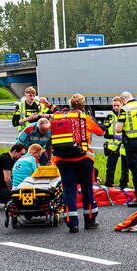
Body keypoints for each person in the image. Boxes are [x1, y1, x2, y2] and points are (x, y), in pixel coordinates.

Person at [52, 94, 105, 232]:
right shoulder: (85, 118)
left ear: (70, 105)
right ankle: (90, 221)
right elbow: (101, 131)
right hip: (83, 159)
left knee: (69, 191)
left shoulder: (60, 117)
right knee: (87, 190)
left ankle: (72, 223)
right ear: (83, 104)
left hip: (63, 159)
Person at [0, 143, 26, 208]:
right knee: (17, 196)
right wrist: (12, 190)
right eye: (21, 154)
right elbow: (7, 179)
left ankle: (5, 199)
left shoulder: (10, 158)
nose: (22, 156)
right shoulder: (6, 159)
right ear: (15, 151)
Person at [102, 96, 129, 189]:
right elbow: (105, 134)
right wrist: (114, 136)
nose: (116, 107)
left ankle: (123, 186)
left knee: (125, 169)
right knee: (110, 169)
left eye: (118, 105)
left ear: (122, 105)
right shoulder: (109, 116)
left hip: (124, 146)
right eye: (114, 106)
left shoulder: (125, 115)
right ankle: (108, 186)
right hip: (113, 147)